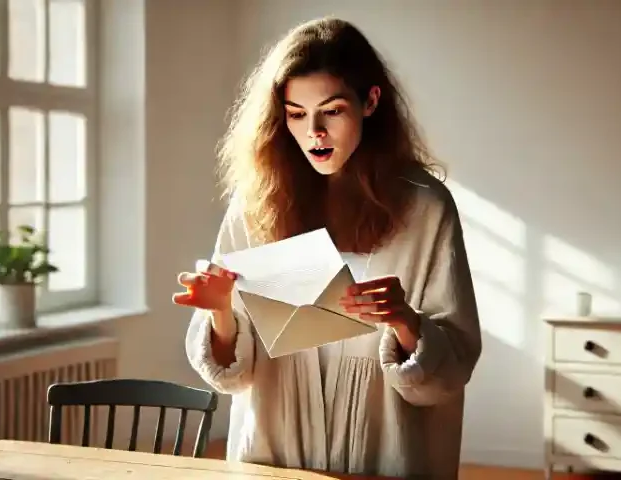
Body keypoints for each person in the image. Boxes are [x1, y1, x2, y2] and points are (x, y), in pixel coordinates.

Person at [173, 16, 481, 479]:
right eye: (296, 114)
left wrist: (404, 321)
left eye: (332, 110)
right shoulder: (256, 201)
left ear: (370, 101)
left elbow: (452, 367)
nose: (314, 131)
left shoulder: (426, 207)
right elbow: (233, 376)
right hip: (274, 453)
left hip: (385, 451)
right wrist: (219, 312)